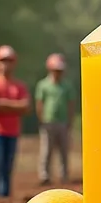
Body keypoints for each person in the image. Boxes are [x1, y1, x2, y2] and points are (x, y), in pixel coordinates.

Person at [0, 45, 30, 197]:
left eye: (9, 60)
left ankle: (4, 198)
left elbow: (26, 107)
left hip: (12, 131)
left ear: (14, 63)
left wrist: (4, 105)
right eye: (3, 60)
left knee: (7, 166)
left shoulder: (19, 86)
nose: (6, 64)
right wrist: (15, 106)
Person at [35, 53, 75, 185]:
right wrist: (41, 120)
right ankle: (44, 175)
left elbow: (70, 104)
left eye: (60, 70)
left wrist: (70, 121)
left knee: (64, 150)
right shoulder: (43, 85)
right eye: (56, 70)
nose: (58, 73)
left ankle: (64, 175)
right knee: (46, 150)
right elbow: (40, 103)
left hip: (62, 122)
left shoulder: (67, 86)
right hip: (48, 121)